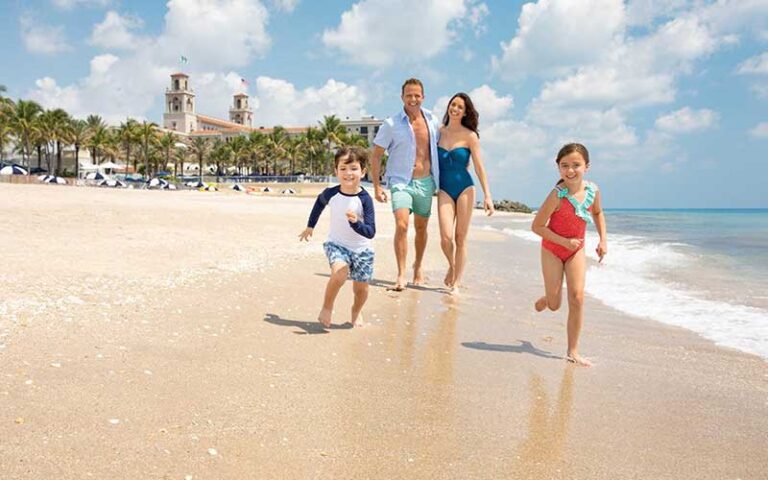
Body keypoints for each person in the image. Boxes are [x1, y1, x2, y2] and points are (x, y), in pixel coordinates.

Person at [531, 143, 607, 367]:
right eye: (565, 166)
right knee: (555, 305)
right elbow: (537, 226)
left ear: (587, 166)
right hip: (552, 249)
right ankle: (548, 298)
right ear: (558, 168)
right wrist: (564, 241)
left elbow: (598, 212)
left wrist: (603, 239)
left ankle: (572, 351)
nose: (570, 170)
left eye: (576, 165)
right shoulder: (557, 194)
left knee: (577, 297)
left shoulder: (593, 191)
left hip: (576, 252)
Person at [370, 78, 441, 291]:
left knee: (421, 228)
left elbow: (445, 146)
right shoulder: (390, 124)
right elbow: (376, 156)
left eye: (417, 95)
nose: (413, 99)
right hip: (400, 181)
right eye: (409, 95)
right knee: (402, 225)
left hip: (425, 182)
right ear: (402, 97)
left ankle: (418, 266)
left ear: (423, 97)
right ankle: (401, 274)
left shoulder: (433, 121)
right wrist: (376, 186)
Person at [299, 147, 375, 327]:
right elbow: (319, 203)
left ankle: (356, 311)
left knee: (361, 288)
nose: (348, 173)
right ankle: (327, 307)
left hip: (362, 249)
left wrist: (356, 223)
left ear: (363, 171)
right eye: (343, 168)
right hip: (337, 244)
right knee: (340, 274)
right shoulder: (331, 193)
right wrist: (311, 226)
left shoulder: (365, 199)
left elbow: (371, 231)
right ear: (336, 171)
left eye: (354, 168)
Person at [437, 92, 494, 295]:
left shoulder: (470, 136)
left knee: (460, 238)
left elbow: (479, 167)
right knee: (445, 237)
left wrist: (487, 195)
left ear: (465, 112)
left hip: (465, 189)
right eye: (453, 104)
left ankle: (457, 283)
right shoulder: (439, 132)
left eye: (460, 107)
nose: (455, 109)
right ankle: (452, 267)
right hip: (444, 189)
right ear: (448, 106)